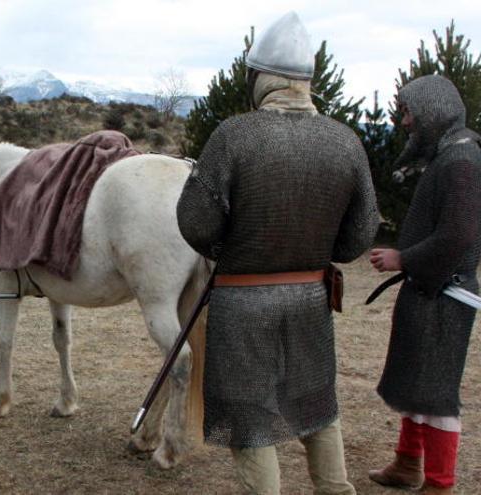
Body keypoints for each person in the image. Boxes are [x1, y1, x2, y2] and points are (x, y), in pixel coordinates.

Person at [176, 12, 379, 494]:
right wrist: (311, 247)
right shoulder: (344, 141)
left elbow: (195, 222)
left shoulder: (235, 135)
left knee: (251, 423)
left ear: (259, 78)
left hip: (242, 305)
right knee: (316, 408)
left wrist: (233, 248)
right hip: (309, 300)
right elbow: (359, 235)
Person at [367, 75, 481, 495]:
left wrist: (403, 258)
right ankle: (408, 464)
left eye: (409, 112)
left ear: (433, 112)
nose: (405, 122)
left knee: (434, 394)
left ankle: (439, 484)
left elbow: (459, 236)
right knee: (414, 382)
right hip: (428, 291)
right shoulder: (449, 155)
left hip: (444, 296)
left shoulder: (462, 161)